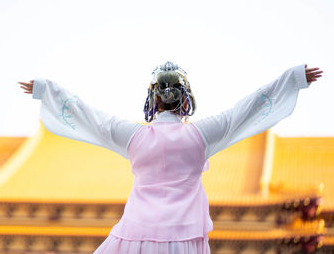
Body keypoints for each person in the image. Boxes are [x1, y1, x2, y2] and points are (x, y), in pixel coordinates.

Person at [18, 61, 323, 254]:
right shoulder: (200, 136)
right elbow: (245, 111)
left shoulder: (134, 136)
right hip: (185, 237)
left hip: (135, 236)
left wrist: (47, 90)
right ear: (186, 100)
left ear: (153, 100)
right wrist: (292, 78)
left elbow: (91, 117)